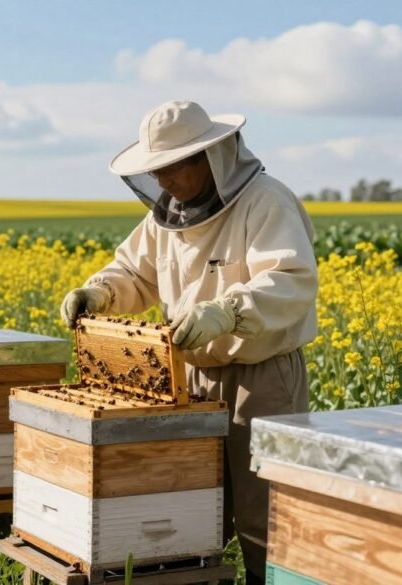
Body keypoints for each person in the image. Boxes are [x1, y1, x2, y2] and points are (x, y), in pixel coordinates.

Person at [60, 100, 317, 584]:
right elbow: (134, 271)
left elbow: (291, 279)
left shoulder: (266, 201)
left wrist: (228, 312)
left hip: (260, 376)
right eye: (154, 171)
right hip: (189, 377)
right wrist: (99, 291)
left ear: (208, 158)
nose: (162, 182)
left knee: (263, 511)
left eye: (170, 169)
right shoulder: (168, 216)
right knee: (194, 505)